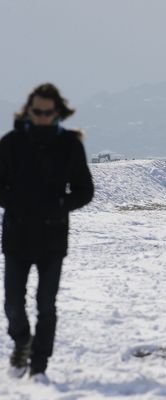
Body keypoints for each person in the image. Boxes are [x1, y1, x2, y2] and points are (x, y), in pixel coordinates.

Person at [0, 83, 94, 381]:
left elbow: (85, 190)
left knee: (46, 304)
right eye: (36, 111)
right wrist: (15, 202)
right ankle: (22, 343)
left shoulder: (70, 145)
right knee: (13, 303)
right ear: (28, 110)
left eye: (47, 112)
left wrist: (58, 205)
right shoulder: (11, 143)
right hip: (16, 235)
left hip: (52, 237)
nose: (41, 116)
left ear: (57, 113)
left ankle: (39, 363)